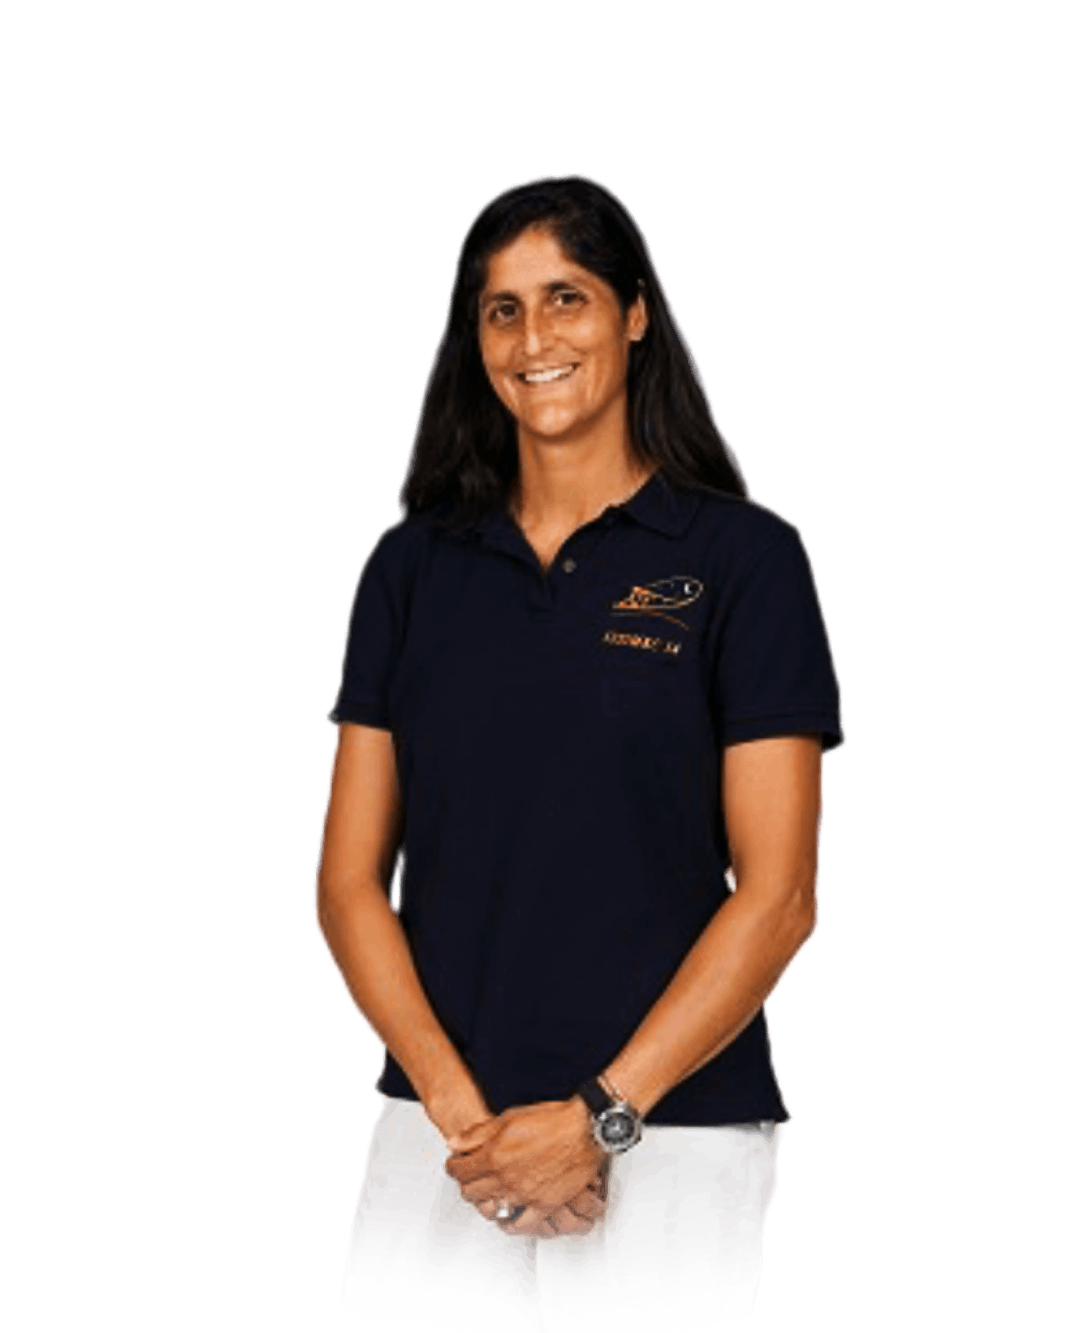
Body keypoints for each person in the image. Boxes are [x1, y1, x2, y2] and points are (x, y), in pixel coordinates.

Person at [315, 173, 845, 1331]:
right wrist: (468, 1123)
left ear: (634, 313)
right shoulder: (411, 567)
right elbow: (348, 884)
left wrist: (600, 1116)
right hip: (444, 1139)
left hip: (675, 1133)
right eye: (501, 309)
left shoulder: (745, 560)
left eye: (567, 297)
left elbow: (782, 893)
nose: (534, 339)